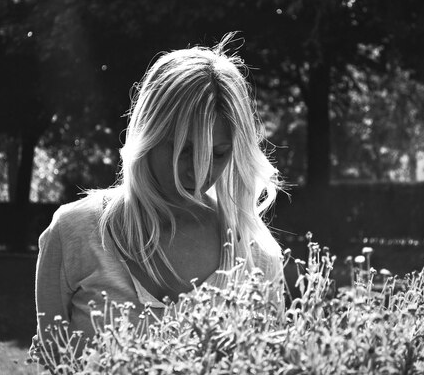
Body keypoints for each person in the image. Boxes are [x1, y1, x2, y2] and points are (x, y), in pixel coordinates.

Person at [30, 34, 285, 361]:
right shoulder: (74, 232)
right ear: (148, 135)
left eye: (218, 154)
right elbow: (52, 361)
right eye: (184, 149)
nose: (199, 170)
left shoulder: (256, 256)